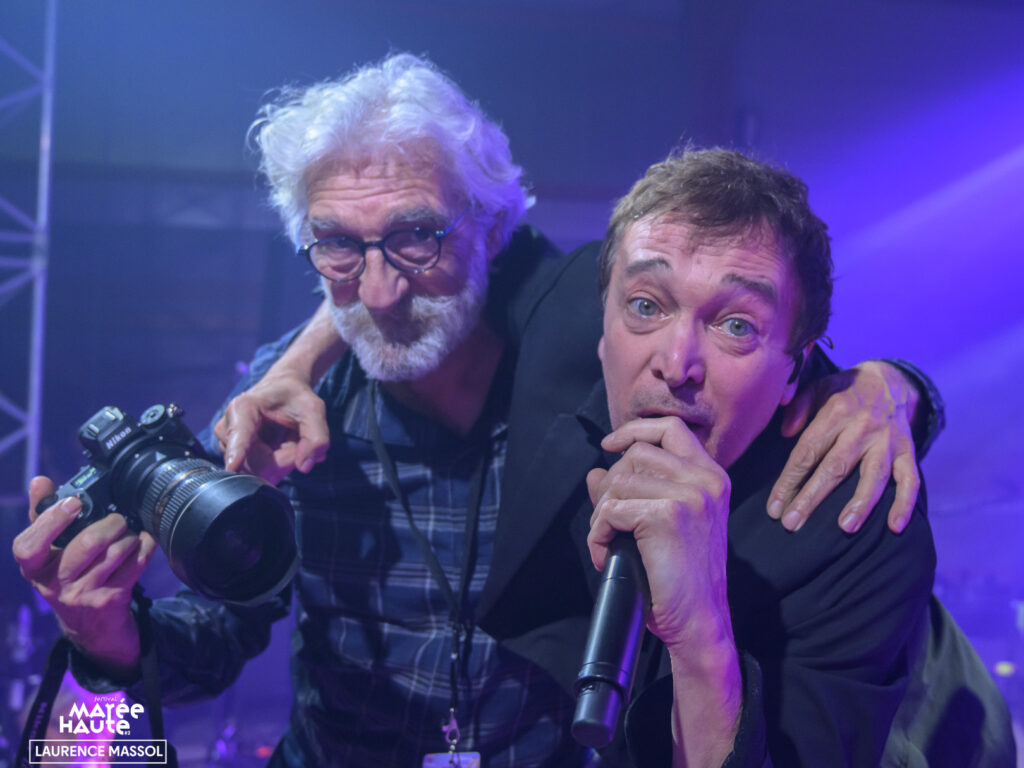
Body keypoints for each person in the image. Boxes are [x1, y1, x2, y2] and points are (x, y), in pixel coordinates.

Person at [14, 54, 965, 767]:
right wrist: (107, 641)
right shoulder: (286, 408)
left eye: (418, 239)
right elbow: (218, 637)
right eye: (336, 246)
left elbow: (714, 312)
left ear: (496, 228)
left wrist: (891, 385)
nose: (379, 291)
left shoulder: (571, 346)